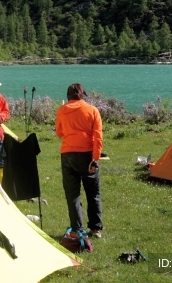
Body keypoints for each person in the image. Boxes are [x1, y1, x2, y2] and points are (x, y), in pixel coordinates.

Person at [55, 83, 103, 238]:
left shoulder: (62, 110)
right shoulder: (92, 110)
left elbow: (59, 132)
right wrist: (95, 158)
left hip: (68, 154)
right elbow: (98, 136)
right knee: (93, 193)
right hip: (88, 154)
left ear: (68, 96)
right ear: (82, 95)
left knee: (72, 194)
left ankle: (77, 228)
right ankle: (95, 228)